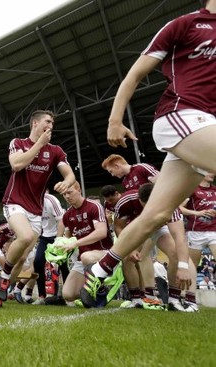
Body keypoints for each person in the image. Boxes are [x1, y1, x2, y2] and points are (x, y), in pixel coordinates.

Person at [81, 2, 216, 307]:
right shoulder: (185, 25)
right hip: (180, 116)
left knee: (154, 216)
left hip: (207, 126)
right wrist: (115, 120)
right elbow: (135, 74)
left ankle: (101, 271)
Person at [0, 110, 75, 308]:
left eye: (53, 123)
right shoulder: (18, 143)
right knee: (26, 236)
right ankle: (4, 277)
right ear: (35, 123)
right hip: (14, 202)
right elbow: (17, 165)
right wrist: (39, 144)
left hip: (35, 209)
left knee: (22, 257)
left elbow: (70, 174)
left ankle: (1, 291)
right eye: (48, 121)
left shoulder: (56, 151)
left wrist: (67, 182)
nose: (51, 125)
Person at [55, 182, 113, 304]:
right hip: (84, 259)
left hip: (105, 254)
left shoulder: (94, 206)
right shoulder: (67, 215)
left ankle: (99, 291)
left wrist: (75, 244)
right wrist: (60, 249)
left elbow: (102, 232)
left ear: (79, 190)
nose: (67, 196)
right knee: (68, 294)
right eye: (64, 194)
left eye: (69, 192)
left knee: (86, 256)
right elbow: (69, 238)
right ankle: (97, 289)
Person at [13, 190, 66, 305]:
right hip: (44, 237)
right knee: (37, 263)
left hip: (58, 236)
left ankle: (68, 297)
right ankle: (42, 296)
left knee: (63, 264)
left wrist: (58, 240)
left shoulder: (50, 200)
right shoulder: (31, 203)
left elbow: (61, 220)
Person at [179, 173, 216, 280]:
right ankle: (185, 294)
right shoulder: (192, 189)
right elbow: (179, 208)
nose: (212, 174)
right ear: (201, 172)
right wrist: (197, 213)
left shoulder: (215, 190)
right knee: (192, 267)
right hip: (195, 233)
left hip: (214, 231)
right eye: (209, 171)